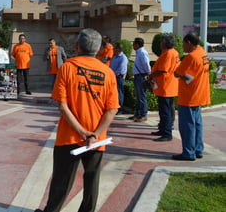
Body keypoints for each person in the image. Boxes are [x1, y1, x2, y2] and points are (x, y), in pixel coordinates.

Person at [35, 29, 119, 212]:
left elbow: (62, 106)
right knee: (92, 180)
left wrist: (82, 132)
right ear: (98, 49)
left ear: (77, 46)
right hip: (97, 139)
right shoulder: (108, 73)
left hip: (69, 137)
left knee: (62, 181)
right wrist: (94, 134)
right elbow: (112, 110)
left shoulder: (67, 67)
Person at [172, 33, 210, 161]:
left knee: (187, 126)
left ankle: (188, 152)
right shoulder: (203, 53)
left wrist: (181, 74)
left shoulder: (191, 57)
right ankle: (198, 149)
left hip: (189, 96)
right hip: (199, 94)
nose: (182, 46)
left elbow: (177, 73)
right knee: (197, 124)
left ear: (189, 43)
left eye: (183, 44)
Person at [148, 35, 180, 142]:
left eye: (162, 41)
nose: (160, 43)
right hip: (169, 86)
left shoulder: (168, 54)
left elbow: (162, 70)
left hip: (166, 86)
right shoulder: (174, 52)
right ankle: (163, 129)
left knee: (165, 110)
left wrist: (151, 76)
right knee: (166, 110)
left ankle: (166, 133)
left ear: (165, 43)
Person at [130, 37, 151, 122]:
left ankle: (143, 114)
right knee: (138, 96)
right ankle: (138, 113)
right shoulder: (139, 52)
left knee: (142, 96)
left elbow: (146, 64)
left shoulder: (142, 53)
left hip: (141, 76)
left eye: (134, 44)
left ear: (137, 45)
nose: (133, 46)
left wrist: (148, 74)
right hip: (138, 76)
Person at [110, 43, 128, 114]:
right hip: (113, 76)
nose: (113, 50)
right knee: (114, 92)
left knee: (119, 92)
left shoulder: (123, 57)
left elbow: (121, 69)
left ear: (119, 49)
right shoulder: (114, 57)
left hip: (118, 77)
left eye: (115, 48)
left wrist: (114, 74)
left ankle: (120, 108)